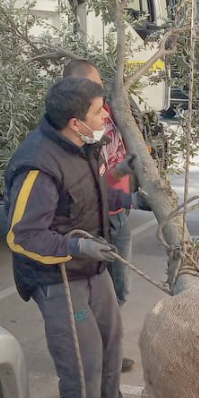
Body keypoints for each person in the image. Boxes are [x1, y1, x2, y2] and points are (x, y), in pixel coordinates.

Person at [5, 77, 150, 398]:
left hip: (90, 268)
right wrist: (78, 247)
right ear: (74, 121)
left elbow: (90, 193)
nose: (106, 116)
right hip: (58, 278)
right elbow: (24, 236)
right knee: (81, 360)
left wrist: (130, 195)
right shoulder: (38, 164)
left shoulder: (78, 146)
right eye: (99, 111)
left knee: (110, 338)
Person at [62, 59, 146, 373]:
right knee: (94, 294)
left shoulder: (109, 112)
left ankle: (103, 351)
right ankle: (92, 354)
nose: (102, 89)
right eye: (95, 84)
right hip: (94, 221)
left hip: (118, 213)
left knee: (119, 290)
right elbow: (92, 182)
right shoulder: (76, 129)